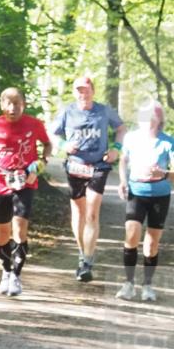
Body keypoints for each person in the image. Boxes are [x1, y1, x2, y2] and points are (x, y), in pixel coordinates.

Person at [0, 88, 52, 297]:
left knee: (19, 228)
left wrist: (41, 164)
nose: (13, 108)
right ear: (2, 105)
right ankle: (6, 271)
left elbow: (47, 145)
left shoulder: (34, 124)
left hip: (25, 181)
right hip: (0, 182)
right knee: (2, 232)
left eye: (17, 103)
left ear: (24, 104)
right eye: (8, 103)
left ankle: (16, 277)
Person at [51, 75, 126, 282]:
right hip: (75, 165)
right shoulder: (67, 111)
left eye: (85, 89)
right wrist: (63, 146)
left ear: (93, 90)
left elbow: (121, 128)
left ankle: (87, 261)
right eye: (78, 90)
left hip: (99, 165)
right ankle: (82, 252)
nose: (82, 93)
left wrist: (116, 148)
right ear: (74, 92)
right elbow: (53, 133)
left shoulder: (103, 111)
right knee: (79, 211)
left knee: (92, 212)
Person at [117, 100, 172, 302]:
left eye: (152, 118)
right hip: (136, 191)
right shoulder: (131, 139)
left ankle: (147, 285)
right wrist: (122, 181)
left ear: (159, 120)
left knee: (151, 243)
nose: (148, 122)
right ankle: (128, 283)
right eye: (144, 118)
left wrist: (164, 173)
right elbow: (123, 160)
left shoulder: (168, 142)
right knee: (131, 235)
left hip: (160, 195)